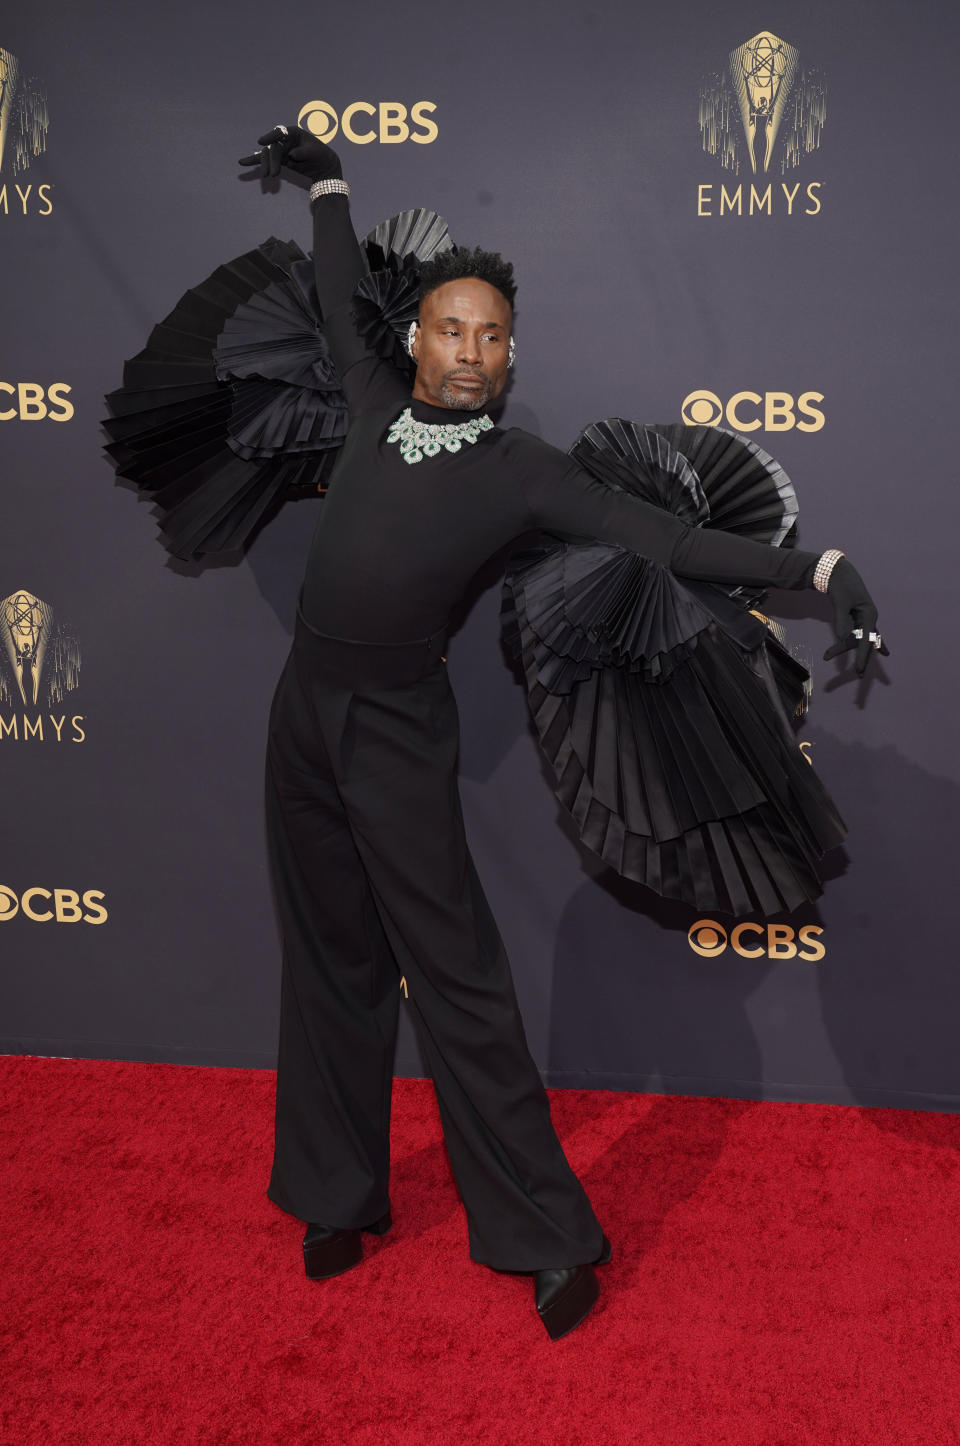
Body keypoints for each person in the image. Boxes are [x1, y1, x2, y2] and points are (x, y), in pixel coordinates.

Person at [239, 124, 885, 1340]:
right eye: (450, 328)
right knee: (327, 955)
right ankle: (338, 1193)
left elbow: (673, 543)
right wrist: (329, 181)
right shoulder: (370, 402)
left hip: (393, 724)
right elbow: (334, 289)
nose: (471, 351)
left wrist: (820, 562)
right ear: (416, 339)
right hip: (301, 714)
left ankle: (544, 1232)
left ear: (508, 353)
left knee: (458, 977)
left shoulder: (522, 470)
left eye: (491, 335)